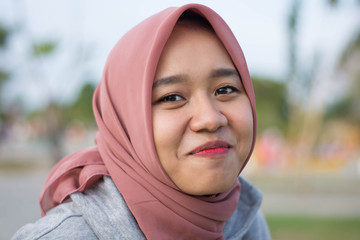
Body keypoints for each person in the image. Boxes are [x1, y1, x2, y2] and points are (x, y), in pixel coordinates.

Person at [12, 3, 271, 240]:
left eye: (225, 90)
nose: (210, 119)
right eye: (172, 97)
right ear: (124, 124)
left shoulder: (244, 221)